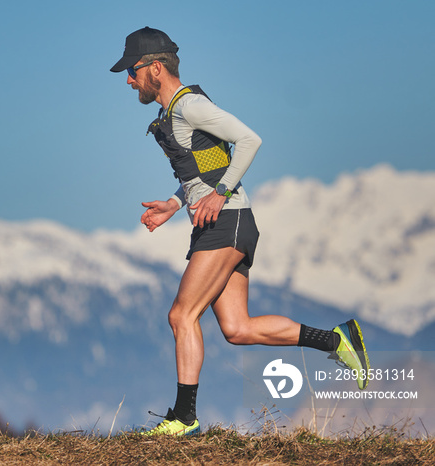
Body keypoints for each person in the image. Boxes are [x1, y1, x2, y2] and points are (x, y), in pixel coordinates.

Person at [110, 27, 370, 436]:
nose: (128, 79)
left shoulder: (189, 106)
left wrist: (222, 192)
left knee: (182, 314)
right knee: (237, 328)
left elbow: (250, 139)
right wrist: (174, 205)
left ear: (155, 68)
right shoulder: (172, 114)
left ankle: (183, 418)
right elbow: (204, 170)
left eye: (133, 71)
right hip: (221, 223)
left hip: (227, 222)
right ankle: (337, 341)